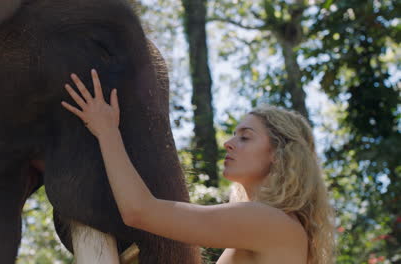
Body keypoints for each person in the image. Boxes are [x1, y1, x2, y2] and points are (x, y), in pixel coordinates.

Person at [60, 69, 336, 264]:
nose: (228, 143)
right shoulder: (276, 225)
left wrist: (107, 130)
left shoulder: (268, 221)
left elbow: (139, 211)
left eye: (245, 137)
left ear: (279, 154)